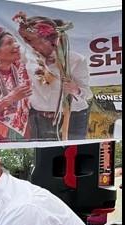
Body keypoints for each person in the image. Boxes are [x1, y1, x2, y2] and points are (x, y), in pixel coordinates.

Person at [14, 12, 92, 141]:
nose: (31, 46)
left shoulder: (75, 60)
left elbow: (88, 94)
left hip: (73, 118)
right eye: (28, 42)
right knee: (43, 156)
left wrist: (75, 90)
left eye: (35, 42)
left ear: (52, 40)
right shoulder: (28, 58)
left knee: (73, 155)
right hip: (39, 118)